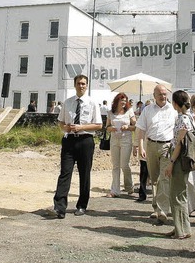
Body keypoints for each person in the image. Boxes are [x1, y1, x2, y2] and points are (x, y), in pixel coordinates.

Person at [52, 74, 102, 218]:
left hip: (85, 140)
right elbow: (60, 121)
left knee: (84, 174)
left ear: (87, 86)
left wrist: (82, 127)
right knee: (65, 173)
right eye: (79, 83)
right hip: (69, 141)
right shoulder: (67, 102)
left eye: (84, 84)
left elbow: (99, 125)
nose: (81, 86)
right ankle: (59, 207)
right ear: (74, 85)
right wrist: (65, 127)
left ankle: (82, 205)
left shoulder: (92, 103)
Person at [136, 85, 177, 225]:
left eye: (165, 94)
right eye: (160, 94)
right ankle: (156, 207)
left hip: (167, 146)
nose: (163, 96)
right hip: (151, 145)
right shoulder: (147, 110)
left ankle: (163, 210)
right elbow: (141, 129)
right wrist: (141, 146)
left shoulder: (173, 110)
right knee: (154, 178)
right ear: (154, 95)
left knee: (164, 178)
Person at [164, 90, 193, 239]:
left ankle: (181, 230)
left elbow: (180, 144)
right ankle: (181, 227)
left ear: (175, 103)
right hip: (181, 159)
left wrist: (171, 162)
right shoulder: (188, 117)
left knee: (177, 195)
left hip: (179, 159)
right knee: (179, 194)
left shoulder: (183, 119)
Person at [105, 93, 136, 197]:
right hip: (114, 139)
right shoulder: (110, 112)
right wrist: (111, 128)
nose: (123, 102)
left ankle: (129, 186)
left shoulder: (129, 111)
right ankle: (115, 190)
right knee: (115, 165)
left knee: (124, 165)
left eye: (125, 100)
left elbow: (135, 126)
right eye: (121, 100)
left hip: (126, 139)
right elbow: (107, 127)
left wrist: (127, 127)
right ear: (116, 101)